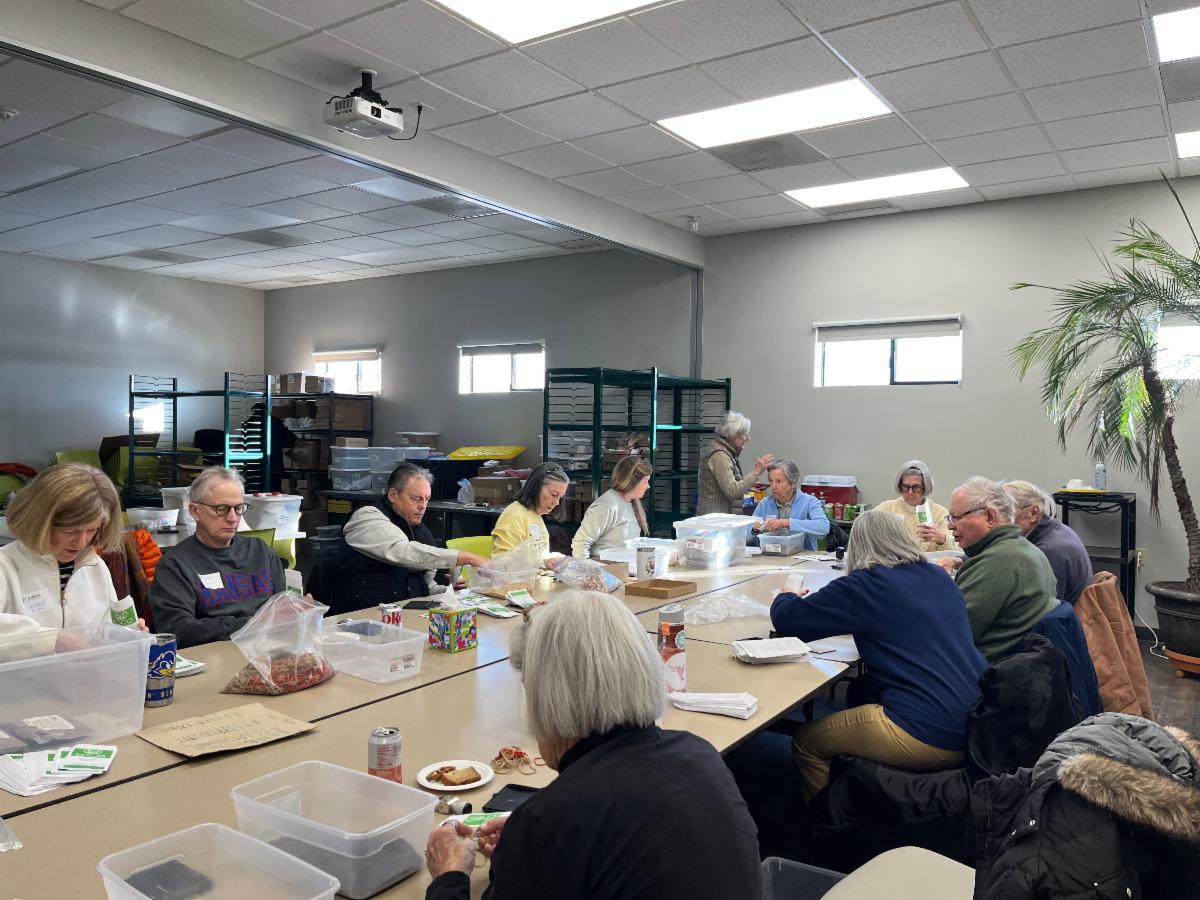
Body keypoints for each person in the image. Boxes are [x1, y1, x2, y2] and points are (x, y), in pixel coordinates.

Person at [423, 591, 763, 900]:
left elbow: (577, 834)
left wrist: (449, 874)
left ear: (550, 695)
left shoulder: (551, 821)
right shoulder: (700, 754)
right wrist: (523, 851)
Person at [771, 509, 987, 800]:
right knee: (861, 690)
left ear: (857, 545)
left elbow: (789, 621)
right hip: (979, 719)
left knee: (807, 742)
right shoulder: (938, 576)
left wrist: (786, 595)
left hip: (927, 730)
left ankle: (828, 819)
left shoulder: (864, 586)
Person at [0, 463, 147, 639]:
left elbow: (105, 630)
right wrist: (51, 639)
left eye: (92, 530)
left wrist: (128, 634)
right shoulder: (5, 566)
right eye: (70, 531)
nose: (81, 542)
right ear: (39, 523)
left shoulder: (95, 566)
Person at [149, 466, 285, 648]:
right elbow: (176, 630)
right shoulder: (175, 565)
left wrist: (298, 609)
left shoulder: (261, 552)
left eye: (238, 508)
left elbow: (281, 609)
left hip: (268, 650)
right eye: (221, 509)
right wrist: (248, 625)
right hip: (212, 655)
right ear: (195, 511)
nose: (233, 518)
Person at [330, 464, 487, 613]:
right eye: (416, 498)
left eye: (427, 499)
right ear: (393, 495)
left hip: (402, 614)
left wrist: (449, 591)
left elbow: (427, 587)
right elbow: (403, 552)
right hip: (360, 616)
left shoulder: (420, 531)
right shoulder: (366, 517)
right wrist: (467, 558)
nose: (423, 506)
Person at [942, 477, 1059, 661]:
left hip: (986, 669)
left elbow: (951, 634)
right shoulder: (1026, 549)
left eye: (956, 517)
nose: (950, 525)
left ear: (990, 517)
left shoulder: (996, 562)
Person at [1003, 480, 1093, 605]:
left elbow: (1043, 608)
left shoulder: (1048, 551)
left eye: (1006, 513)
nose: (999, 520)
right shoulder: (1055, 530)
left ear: (1033, 513)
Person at [570, 456, 650, 559]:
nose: (648, 486)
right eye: (645, 481)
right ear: (631, 481)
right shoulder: (606, 506)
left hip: (623, 567)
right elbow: (580, 544)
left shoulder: (629, 503)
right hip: (605, 567)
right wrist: (587, 567)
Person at [697, 410, 773, 515]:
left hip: (718, 517)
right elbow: (732, 491)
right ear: (733, 435)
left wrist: (753, 486)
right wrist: (756, 472)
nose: (748, 438)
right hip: (716, 520)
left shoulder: (724, 452)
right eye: (745, 434)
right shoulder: (720, 455)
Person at [873, 460, 958, 552]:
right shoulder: (886, 508)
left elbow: (954, 551)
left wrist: (942, 540)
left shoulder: (940, 513)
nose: (910, 492)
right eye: (905, 486)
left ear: (926, 488)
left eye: (916, 487)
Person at [491, 462, 569, 558]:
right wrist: (543, 562)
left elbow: (536, 555)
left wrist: (549, 559)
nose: (557, 502)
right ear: (536, 488)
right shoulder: (515, 517)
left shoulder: (535, 514)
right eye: (553, 494)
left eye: (560, 497)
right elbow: (502, 563)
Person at [750, 459, 829, 550]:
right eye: (771, 481)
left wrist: (787, 523)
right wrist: (755, 530)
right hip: (770, 555)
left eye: (779, 481)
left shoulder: (809, 502)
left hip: (803, 556)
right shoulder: (764, 503)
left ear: (793, 483)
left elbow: (823, 527)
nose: (773, 487)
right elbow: (746, 538)